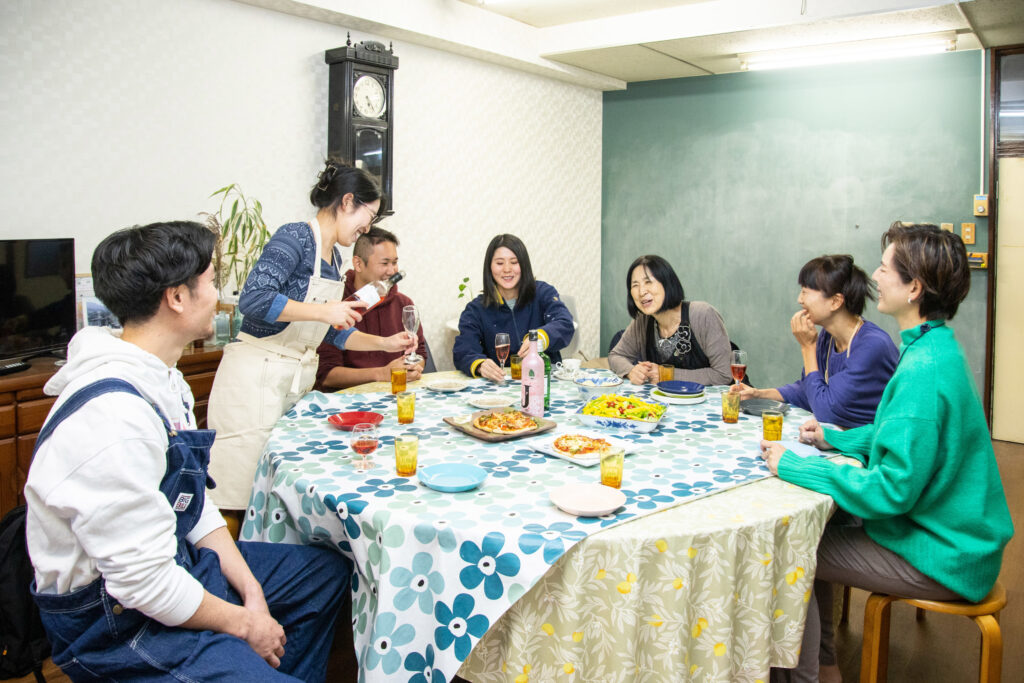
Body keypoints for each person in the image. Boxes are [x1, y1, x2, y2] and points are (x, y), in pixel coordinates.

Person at [25, 221, 350, 682]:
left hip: (176, 563)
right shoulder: (115, 418)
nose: (221, 295)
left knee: (324, 572)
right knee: (250, 624)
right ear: (177, 298)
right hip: (117, 621)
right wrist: (246, 623)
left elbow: (192, 506)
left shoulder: (165, 378)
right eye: (213, 280)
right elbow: (145, 583)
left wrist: (253, 594)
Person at [760, 223, 1014, 683]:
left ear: (914, 286)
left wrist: (797, 466)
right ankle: (825, 664)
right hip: (956, 536)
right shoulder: (933, 347)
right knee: (813, 531)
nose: (874, 276)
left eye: (884, 266)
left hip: (945, 553)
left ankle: (808, 675)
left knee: (793, 546)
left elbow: (891, 490)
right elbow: (907, 439)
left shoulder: (922, 369)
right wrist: (838, 440)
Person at [207, 162, 415, 510]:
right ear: (347, 202)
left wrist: (384, 344)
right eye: (369, 215)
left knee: (273, 497)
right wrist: (323, 311)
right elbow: (254, 298)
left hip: (289, 384)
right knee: (239, 497)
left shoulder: (332, 258)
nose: (369, 227)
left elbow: (331, 335)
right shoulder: (296, 237)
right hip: (254, 382)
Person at [731, 255, 899, 428]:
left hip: (867, 448)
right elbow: (809, 390)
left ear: (835, 301)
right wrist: (759, 394)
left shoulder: (871, 345)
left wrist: (808, 347)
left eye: (805, 291)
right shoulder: (828, 335)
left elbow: (825, 411)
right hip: (836, 438)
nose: (800, 299)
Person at [314, 226, 427, 391]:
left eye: (395, 263)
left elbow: (421, 354)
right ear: (358, 264)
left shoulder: (404, 304)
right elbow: (326, 375)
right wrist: (381, 374)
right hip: (349, 404)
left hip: (395, 396)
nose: (392, 271)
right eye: (384, 263)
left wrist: (412, 368)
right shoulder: (336, 304)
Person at [453, 234, 574, 383]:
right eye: (499, 263)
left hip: (544, 383)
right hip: (499, 387)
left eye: (514, 262)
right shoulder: (476, 309)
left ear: (523, 265)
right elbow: (463, 349)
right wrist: (480, 364)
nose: (507, 269)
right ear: (489, 267)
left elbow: (565, 323)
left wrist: (540, 338)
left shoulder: (543, 293)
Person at [609, 255, 732, 385]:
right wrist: (631, 371)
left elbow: (723, 375)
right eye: (635, 285)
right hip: (666, 403)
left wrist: (667, 374)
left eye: (648, 282)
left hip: (716, 403)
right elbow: (616, 356)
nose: (641, 291)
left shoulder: (704, 314)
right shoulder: (642, 321)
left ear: (667, 283)